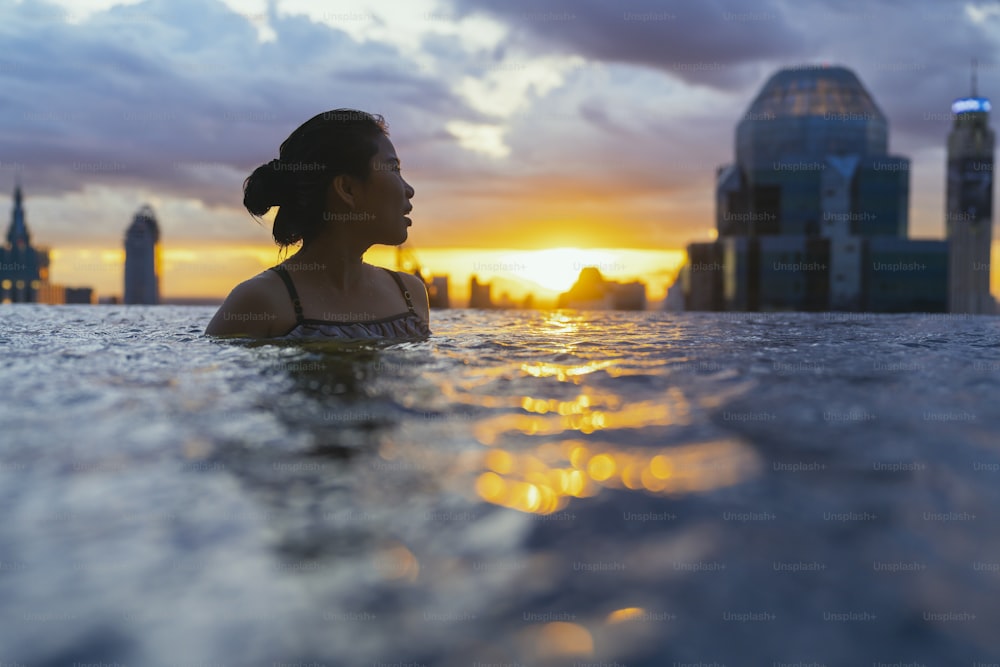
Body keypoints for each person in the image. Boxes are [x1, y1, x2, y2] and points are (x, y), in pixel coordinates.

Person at [205, 109, 430, 338]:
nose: (409, 190)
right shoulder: (262, 301)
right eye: (393, 168)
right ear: (347, 189)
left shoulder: (410, 294)